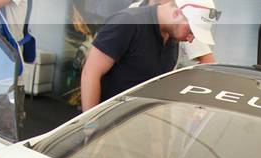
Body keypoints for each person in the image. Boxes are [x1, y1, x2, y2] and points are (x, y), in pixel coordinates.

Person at [80, 0, 218, 111]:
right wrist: (90, 126)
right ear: (176, 13)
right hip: (108, 121)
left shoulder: (171, 35)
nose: (190, 39)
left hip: (139, 123)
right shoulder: (128, 22)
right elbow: (90, 73)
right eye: (190, 31)